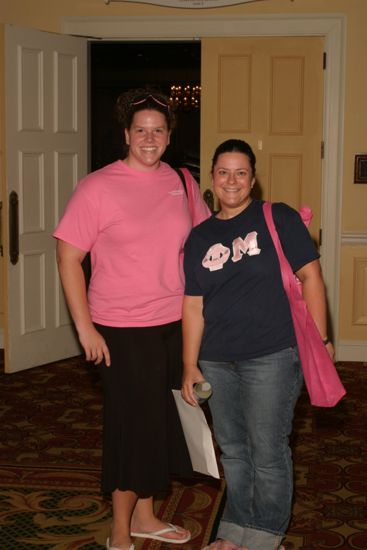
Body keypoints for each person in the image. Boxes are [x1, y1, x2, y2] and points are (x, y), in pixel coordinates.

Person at [53, 87, 210, 550]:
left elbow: (206, 243)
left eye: (157, 130)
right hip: (119, 329)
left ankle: (144, 515)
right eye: (140, 129)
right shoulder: (97, 187)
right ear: (126, 134)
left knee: (160, 423)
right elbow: (67, 258)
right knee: (130, 427)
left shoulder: (182, 182)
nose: (149, 137)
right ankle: (120, 530)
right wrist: (84, 327)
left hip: (174, 322)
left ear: (168, 136)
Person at [181, 139, 334, 550]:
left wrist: (319, 341)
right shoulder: (199, 238)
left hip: (273, 355)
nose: (232, 180)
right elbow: (193, 306)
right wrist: (189, 363)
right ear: (211, 177)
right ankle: (235, 528)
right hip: (215, 360)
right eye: (223, 172)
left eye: (241, 172)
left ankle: (265, 534)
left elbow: (312, 278)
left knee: (267, 450)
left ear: (253, 178)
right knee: (232, 449)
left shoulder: (277, 218)